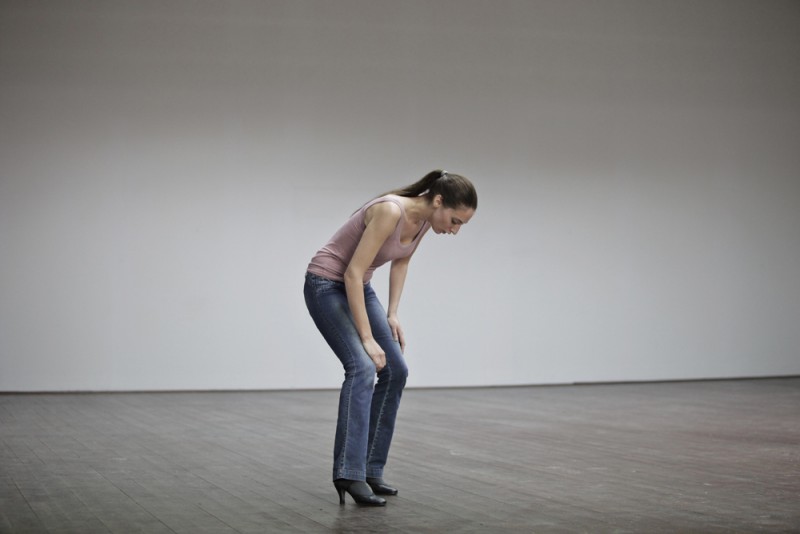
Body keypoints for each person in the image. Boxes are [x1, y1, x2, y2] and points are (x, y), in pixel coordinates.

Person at [303, 169, 478, 506]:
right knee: (363, 367)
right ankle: (348, 473)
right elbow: (352, 273)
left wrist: (392, 313)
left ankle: (370, 468)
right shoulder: (390, 211)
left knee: (396, 369)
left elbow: (401, 262)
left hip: (359, 288)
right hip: (325, 285)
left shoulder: (425, 220)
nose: (455, 230)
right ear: (438, 201)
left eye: (461, 226)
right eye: (455, 220)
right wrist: (368, 339)